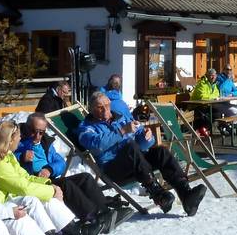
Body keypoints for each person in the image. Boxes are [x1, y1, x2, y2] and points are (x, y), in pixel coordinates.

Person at [76, 92, 207, 216]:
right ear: (91, 109)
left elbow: (142, 140)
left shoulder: (121, 117)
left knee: (161, 152)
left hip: (136, 162)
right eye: (99, 107)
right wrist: (121, 131)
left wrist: (147, 137)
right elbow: (96, 145)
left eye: (107, 105)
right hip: (113, 169)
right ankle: (158, 194)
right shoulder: (86, 127)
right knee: (130, 147)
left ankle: (186, 194)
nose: (105, 110)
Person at [0, 122, 103, 235]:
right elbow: (22, 187)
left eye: (41, 132)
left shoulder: (9, 156)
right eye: (19, 136)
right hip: (2, 201)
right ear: (10, 140)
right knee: (34, 200)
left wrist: (49, 182)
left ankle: (74, 230)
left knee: (53, 193)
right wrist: (51, 190)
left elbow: (27, 177)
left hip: (20, 190)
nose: (20, 138)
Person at [17, 113, 130, 228]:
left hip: (49, 178)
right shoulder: (17, 141)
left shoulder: (45, 142)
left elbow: (60, 162)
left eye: (41, 132)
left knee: (85, 177)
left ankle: (105, 212)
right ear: (27, 127)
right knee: (66, 184)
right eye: (34, 131)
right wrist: (21, 157)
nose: (37, 136)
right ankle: (91, 218)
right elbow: (8, 158)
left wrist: (49, 169)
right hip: (34, 182)